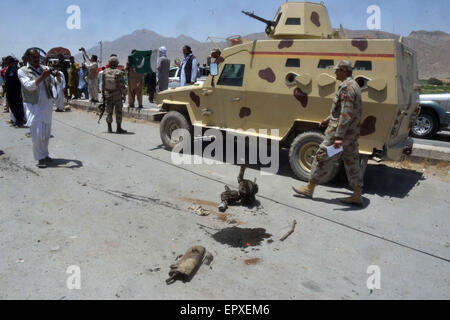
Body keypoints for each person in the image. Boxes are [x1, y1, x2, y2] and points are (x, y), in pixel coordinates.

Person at [292, 60, 364, 206]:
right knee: (351, 161)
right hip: (350, 136)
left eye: (337, 70)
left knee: (323, 156)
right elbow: (342, 111)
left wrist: (338, 137)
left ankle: (309, 187)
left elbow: (346, 114)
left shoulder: (347, 87)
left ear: (343, 70)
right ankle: (357, 194)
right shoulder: (354, 85)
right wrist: (328, 119)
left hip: (341, 136)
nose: (335, 72)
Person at [18, 48, 56, 168]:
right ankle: (39, 158)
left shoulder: (43, 68)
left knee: (46, 132)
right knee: (37, 133)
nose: (36, 59)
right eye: (34, 57)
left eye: (38, 57)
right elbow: (29, 86)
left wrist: (56, 77)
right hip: (34, 105)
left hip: (47, 104)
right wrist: (42, 77)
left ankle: (45, 154)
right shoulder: (22, 71)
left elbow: (51, 82)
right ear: (28, 58)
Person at [102, 56, 127, 134]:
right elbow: (122, 85)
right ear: (116, 63)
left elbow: (103, 85)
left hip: (108, 94)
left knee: (109, 111)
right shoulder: (119, 72)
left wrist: (103, 95)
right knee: (118, 111)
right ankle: (118, 128)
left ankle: (109, 128)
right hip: (117, 95)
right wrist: (124, 94)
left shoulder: (105, 72)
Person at [5, 56, 26, 126]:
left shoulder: (14, 69)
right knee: (13, 106)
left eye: (7, 61)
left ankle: (19, 120)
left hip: (14, 91)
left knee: (16, 106)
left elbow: (13, 80)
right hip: (11, 91)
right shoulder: (10, 68)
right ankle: (17, 119)